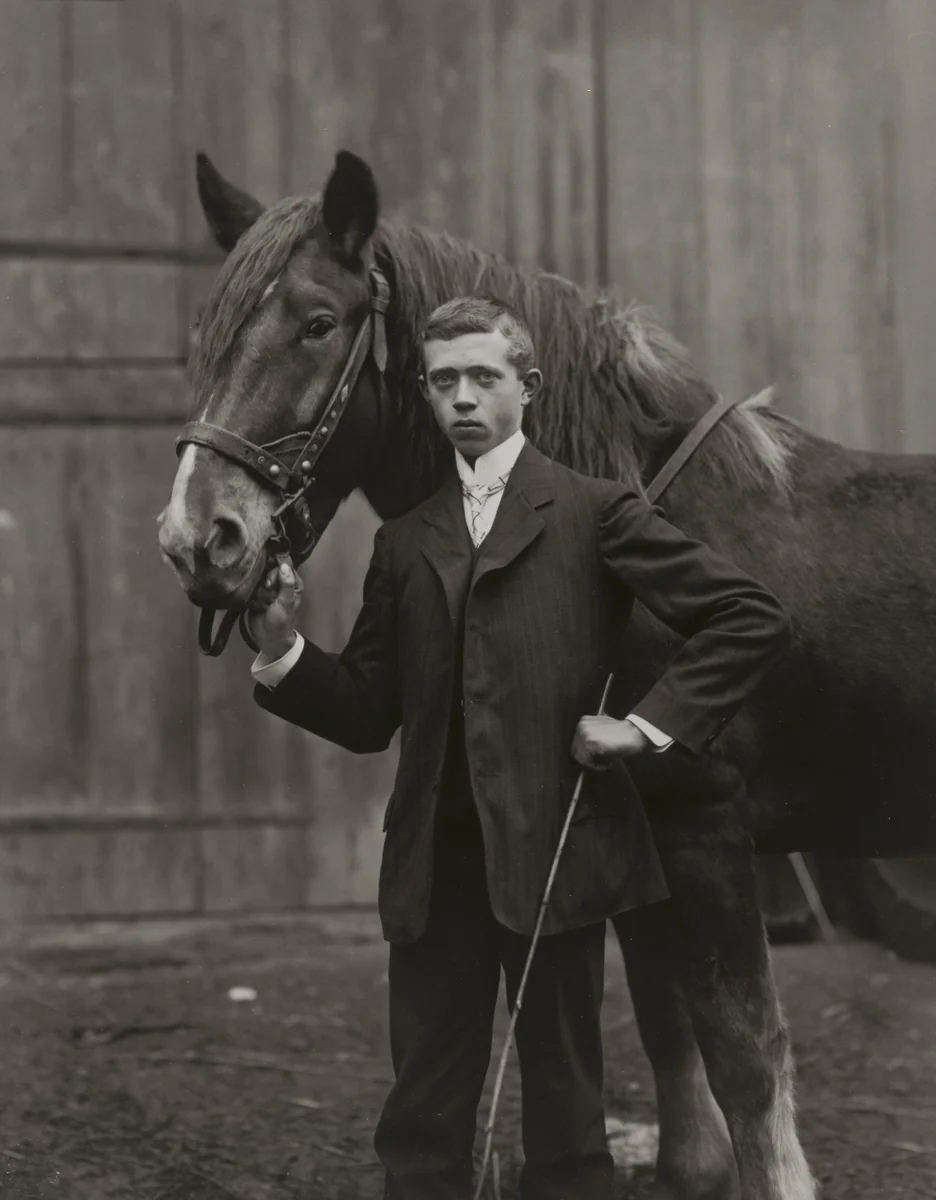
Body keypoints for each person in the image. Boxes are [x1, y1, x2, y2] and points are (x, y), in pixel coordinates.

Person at [247, 297, 790, 1200]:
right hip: (433, 876)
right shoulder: (403, 540)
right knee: (420, 1125)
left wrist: (645, 725)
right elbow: (367, 712)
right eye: (444, 380)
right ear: (425, 392)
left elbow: (747, 616)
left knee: (568, 1128)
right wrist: (280, 650)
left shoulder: (595, 512)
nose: (463, 397)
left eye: (484, 377)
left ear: (526, 389)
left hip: (557, 872)